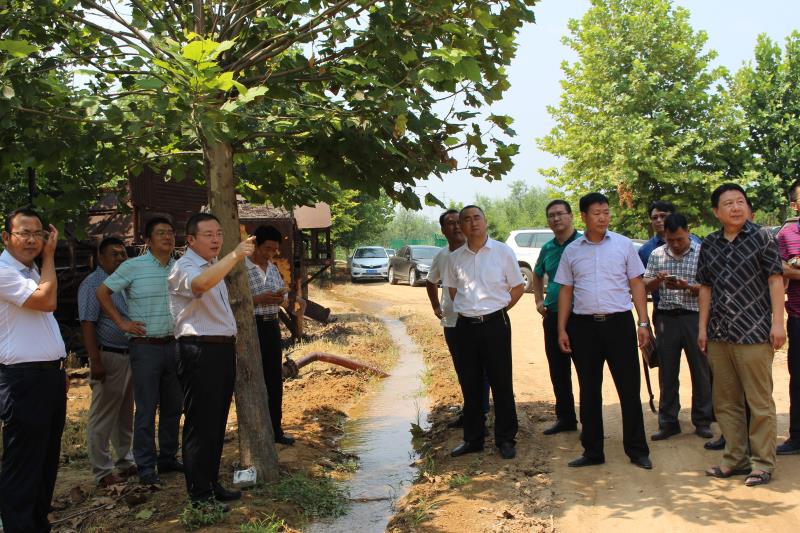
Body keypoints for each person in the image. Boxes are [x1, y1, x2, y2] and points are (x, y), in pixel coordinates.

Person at [555, 192, 652, 470]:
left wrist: (643, 322)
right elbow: (566, 290)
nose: (603, 218)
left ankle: (637, 450)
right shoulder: (572, 251)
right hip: (583, 327)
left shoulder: (623, 245)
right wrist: (562, 328)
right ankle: (592, 450)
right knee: (589, 390)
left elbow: (637, 284)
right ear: (584, 216)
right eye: (596, 213)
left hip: (619, 324)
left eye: (606, 212)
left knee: (629, 388)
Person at [697, 183, 785, 487]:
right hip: (719, 333)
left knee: (759, 402)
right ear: (716, 212)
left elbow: (775, 280)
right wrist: (702, 329)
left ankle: (762, 464)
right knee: (725, 401)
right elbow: (705, 287)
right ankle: (735, 458)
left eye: (740, 202)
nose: (736, 208)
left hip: (755, 331)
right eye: (728, 203)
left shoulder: (763, 237)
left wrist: (778, 323)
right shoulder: (710, 243)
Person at [168, 213, 255, 504]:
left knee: (216, 421)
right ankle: (199, 494)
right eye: (208, 234)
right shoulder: (184, 267)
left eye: (219, 233)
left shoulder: (213, 266)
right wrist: (235, 255)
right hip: (198, 349)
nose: (216, 239)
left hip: (220, 349)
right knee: (200, 422)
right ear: (191, 240)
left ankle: (210, 482)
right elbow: (199, 286)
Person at [97, 216, 183, 485]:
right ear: (147, 240)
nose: (167, 237)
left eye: (170, 232)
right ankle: (146, 466)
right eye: (160, 233)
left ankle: (167, 458)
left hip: (175, 345)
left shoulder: (180, 267)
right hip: (145, 347)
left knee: (173, 406)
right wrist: (122, 323)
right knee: (145, 409)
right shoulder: (133, 266)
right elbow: (102, 292)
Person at [0, 208, 67, 532]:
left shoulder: (33, 270)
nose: (32, 240)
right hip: (23, 379)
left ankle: (38, 525)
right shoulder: (4, 271)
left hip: (49, 376)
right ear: (6, 237)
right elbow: (46, 301)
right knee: (24, 464)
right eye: (24, 233)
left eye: (38, 233)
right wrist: (50, 256)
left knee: (46, 461)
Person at [443, 205, 525, 460]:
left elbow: (518, 287)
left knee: (501, 381)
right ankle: (473, 438)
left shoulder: (503, 252)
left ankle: (505, 438)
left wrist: (497, 310)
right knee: (470, 383)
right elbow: (453, 290)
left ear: (485, 221)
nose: (472, 223)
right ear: (462, 226)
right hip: (465, 326)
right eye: (466, 219)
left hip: (495, 324)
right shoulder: (455, 258)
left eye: (477, 217)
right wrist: (471, 310)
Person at [642, 214, 713, 441]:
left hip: (694, 317)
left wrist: (687, 286)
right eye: (670, 239)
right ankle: (668, 422)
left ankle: (702, 420)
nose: (674, 244)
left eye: (679, 239)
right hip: (666, 319)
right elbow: (644, 285)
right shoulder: (657, 254)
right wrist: (657, 280)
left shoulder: (702, 252)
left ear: (688, 231)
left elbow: (709, 287)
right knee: (667, 372)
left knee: (700, 370)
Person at [79, 236, 136, 487]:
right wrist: (95, 361)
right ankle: (102, 470)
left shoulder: (122, 282)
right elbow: (87, 323)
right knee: (103, 415)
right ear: (100, 258)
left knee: (125, 413)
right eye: (114, 254)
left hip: (129, 354)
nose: (120, 258)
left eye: (123, 254)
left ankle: (125, 460)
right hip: (108, 355)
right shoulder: (93, 284)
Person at [426, 209, 490, 428]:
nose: (456, 227)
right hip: (453, 322)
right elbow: (431, 281)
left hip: (479, 320)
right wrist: (436, 306)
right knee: (463, 370)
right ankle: (471, 411)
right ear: (443, 230)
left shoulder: (477, 252)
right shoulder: (443, 256)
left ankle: (481, 413)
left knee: (483, 369)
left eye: (458, 222)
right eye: (450, 224)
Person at [532, 199, 580, 435]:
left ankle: (591, 422)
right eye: (551, 215)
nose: (556, 218)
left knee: (586, 371)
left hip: (580, 316)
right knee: (558, 370)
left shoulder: (584, 243)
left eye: (560, 214)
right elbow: (537, 273)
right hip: (552, 315)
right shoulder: (548, 248)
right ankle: (566, 418)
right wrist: (538, 300)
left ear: (571, 216)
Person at [246, 224, 295, 446]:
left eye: (274, 249)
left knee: (274, 379)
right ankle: (253, 432)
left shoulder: (273, 269)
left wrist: (280, 298)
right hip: (250, 327)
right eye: (267, 248)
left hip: (271, 326)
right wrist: (258, 300)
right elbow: (232, 300)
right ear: (255, 244)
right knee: (251, 378)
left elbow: (282, 299)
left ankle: (276, 429)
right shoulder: (241, 269)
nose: (270, 253)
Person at [776, 178, 800, 455]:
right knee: (798, 380)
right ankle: (797, 438)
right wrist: (791, 267)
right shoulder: (786, 235)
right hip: (797, 318)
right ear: (794, 205)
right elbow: (780, 269)